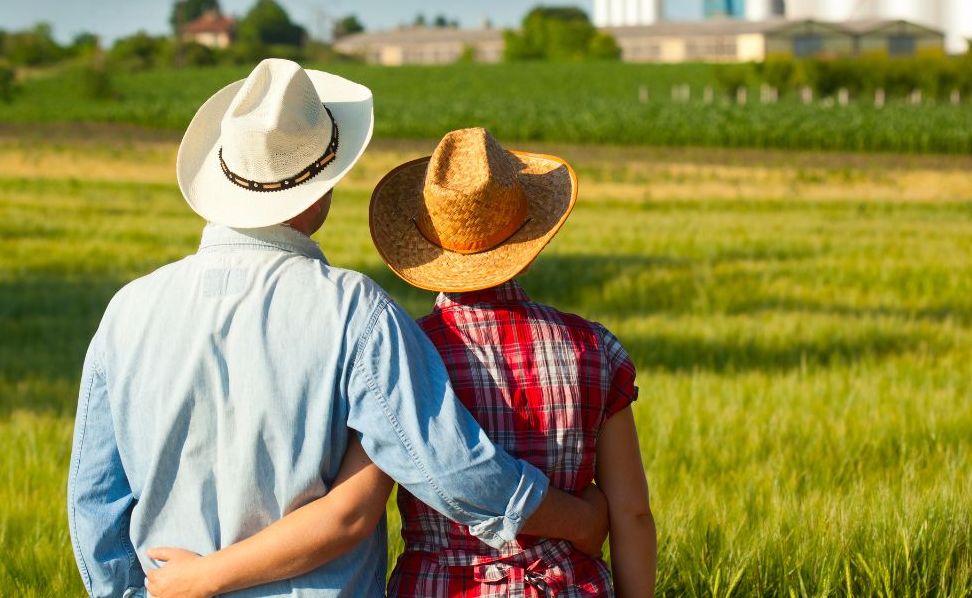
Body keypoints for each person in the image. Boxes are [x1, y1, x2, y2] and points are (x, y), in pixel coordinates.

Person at [67, 60, 607, 598]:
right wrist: (578, 519)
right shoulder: (354, 311)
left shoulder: (126, 311)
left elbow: (95, 501)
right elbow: (450, 470)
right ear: (321, 188)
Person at [145, 127, 655, 598]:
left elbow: (356, 507)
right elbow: (632, 513)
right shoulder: (594, 349)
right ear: (529, 235)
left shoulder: (401, 348)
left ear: (428, 243)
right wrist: (585, 525)